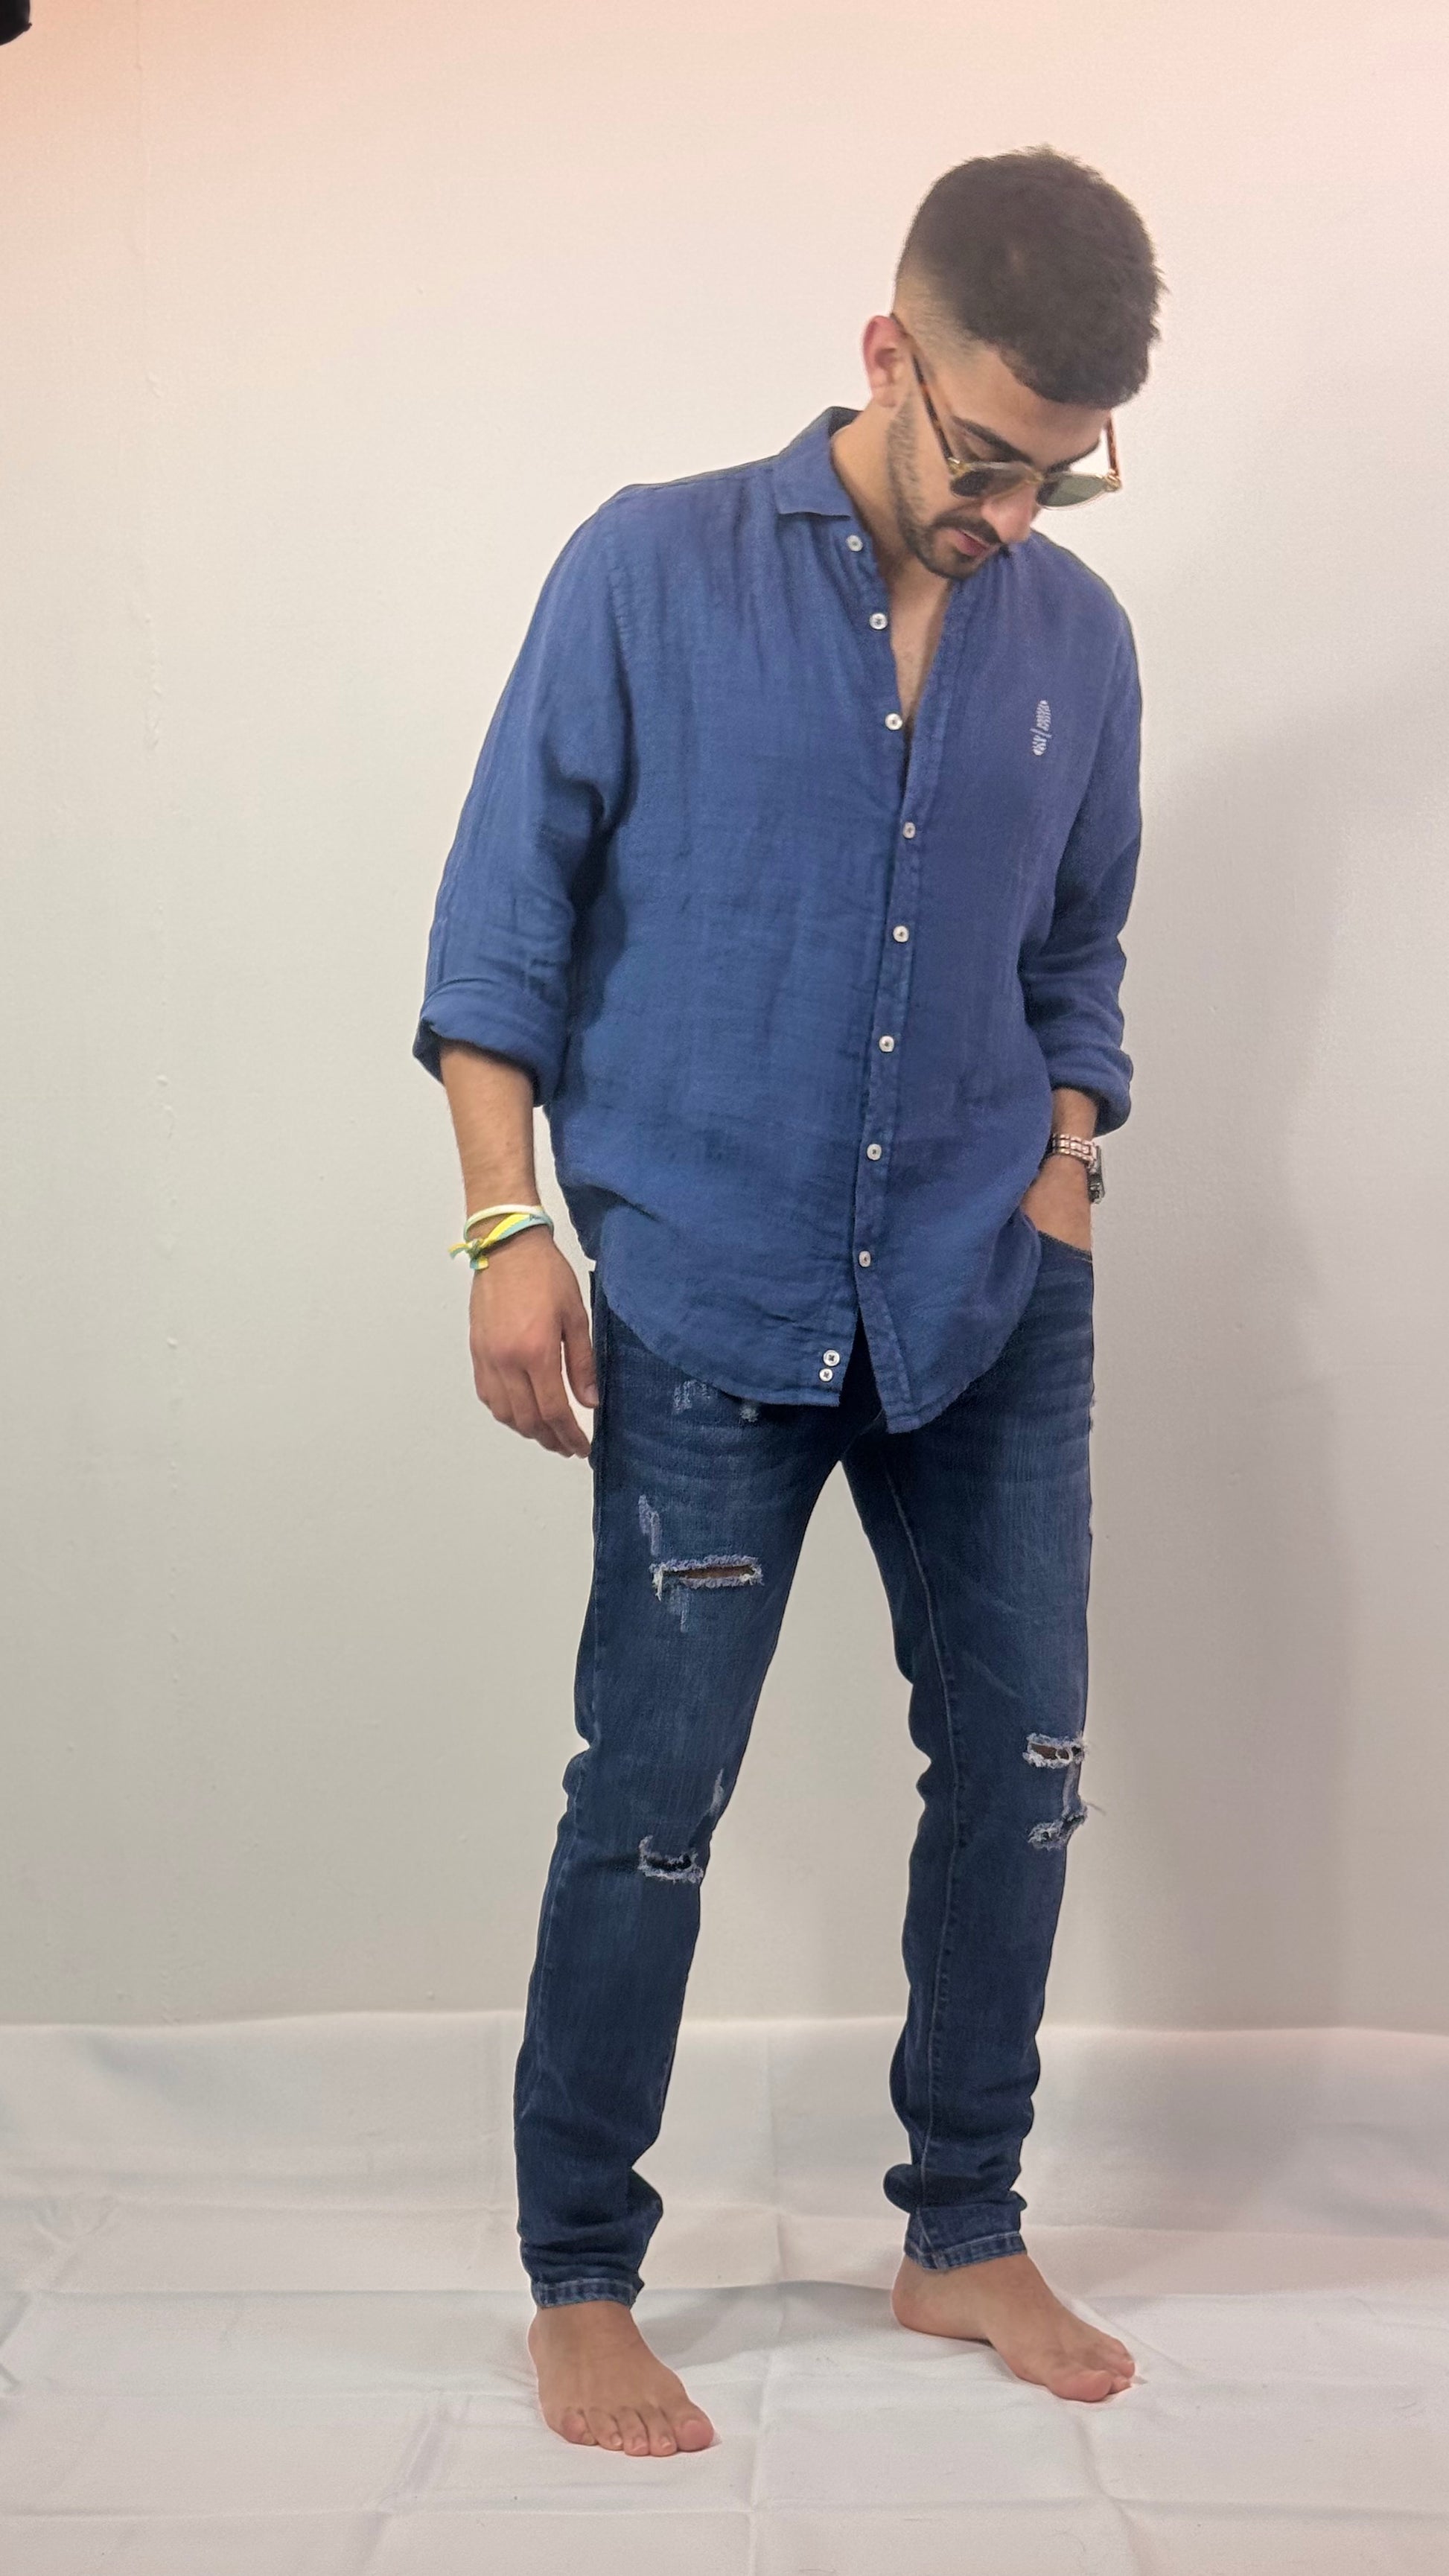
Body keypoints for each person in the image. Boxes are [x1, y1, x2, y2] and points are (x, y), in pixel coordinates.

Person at [413, 145, 1165, 2458]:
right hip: (708, 1293)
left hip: (985, 1297)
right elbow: (501, 918)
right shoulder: (647, 568)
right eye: (987, 455)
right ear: (883, 355)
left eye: (1062, 474)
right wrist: (502, 1230)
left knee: (1019, 1778)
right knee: (649, 1793)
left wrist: (1060, 1163)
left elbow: (1076, 952)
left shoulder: (1078, 645)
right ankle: (579, 2273)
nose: (1013, 513)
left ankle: (961, 2226)